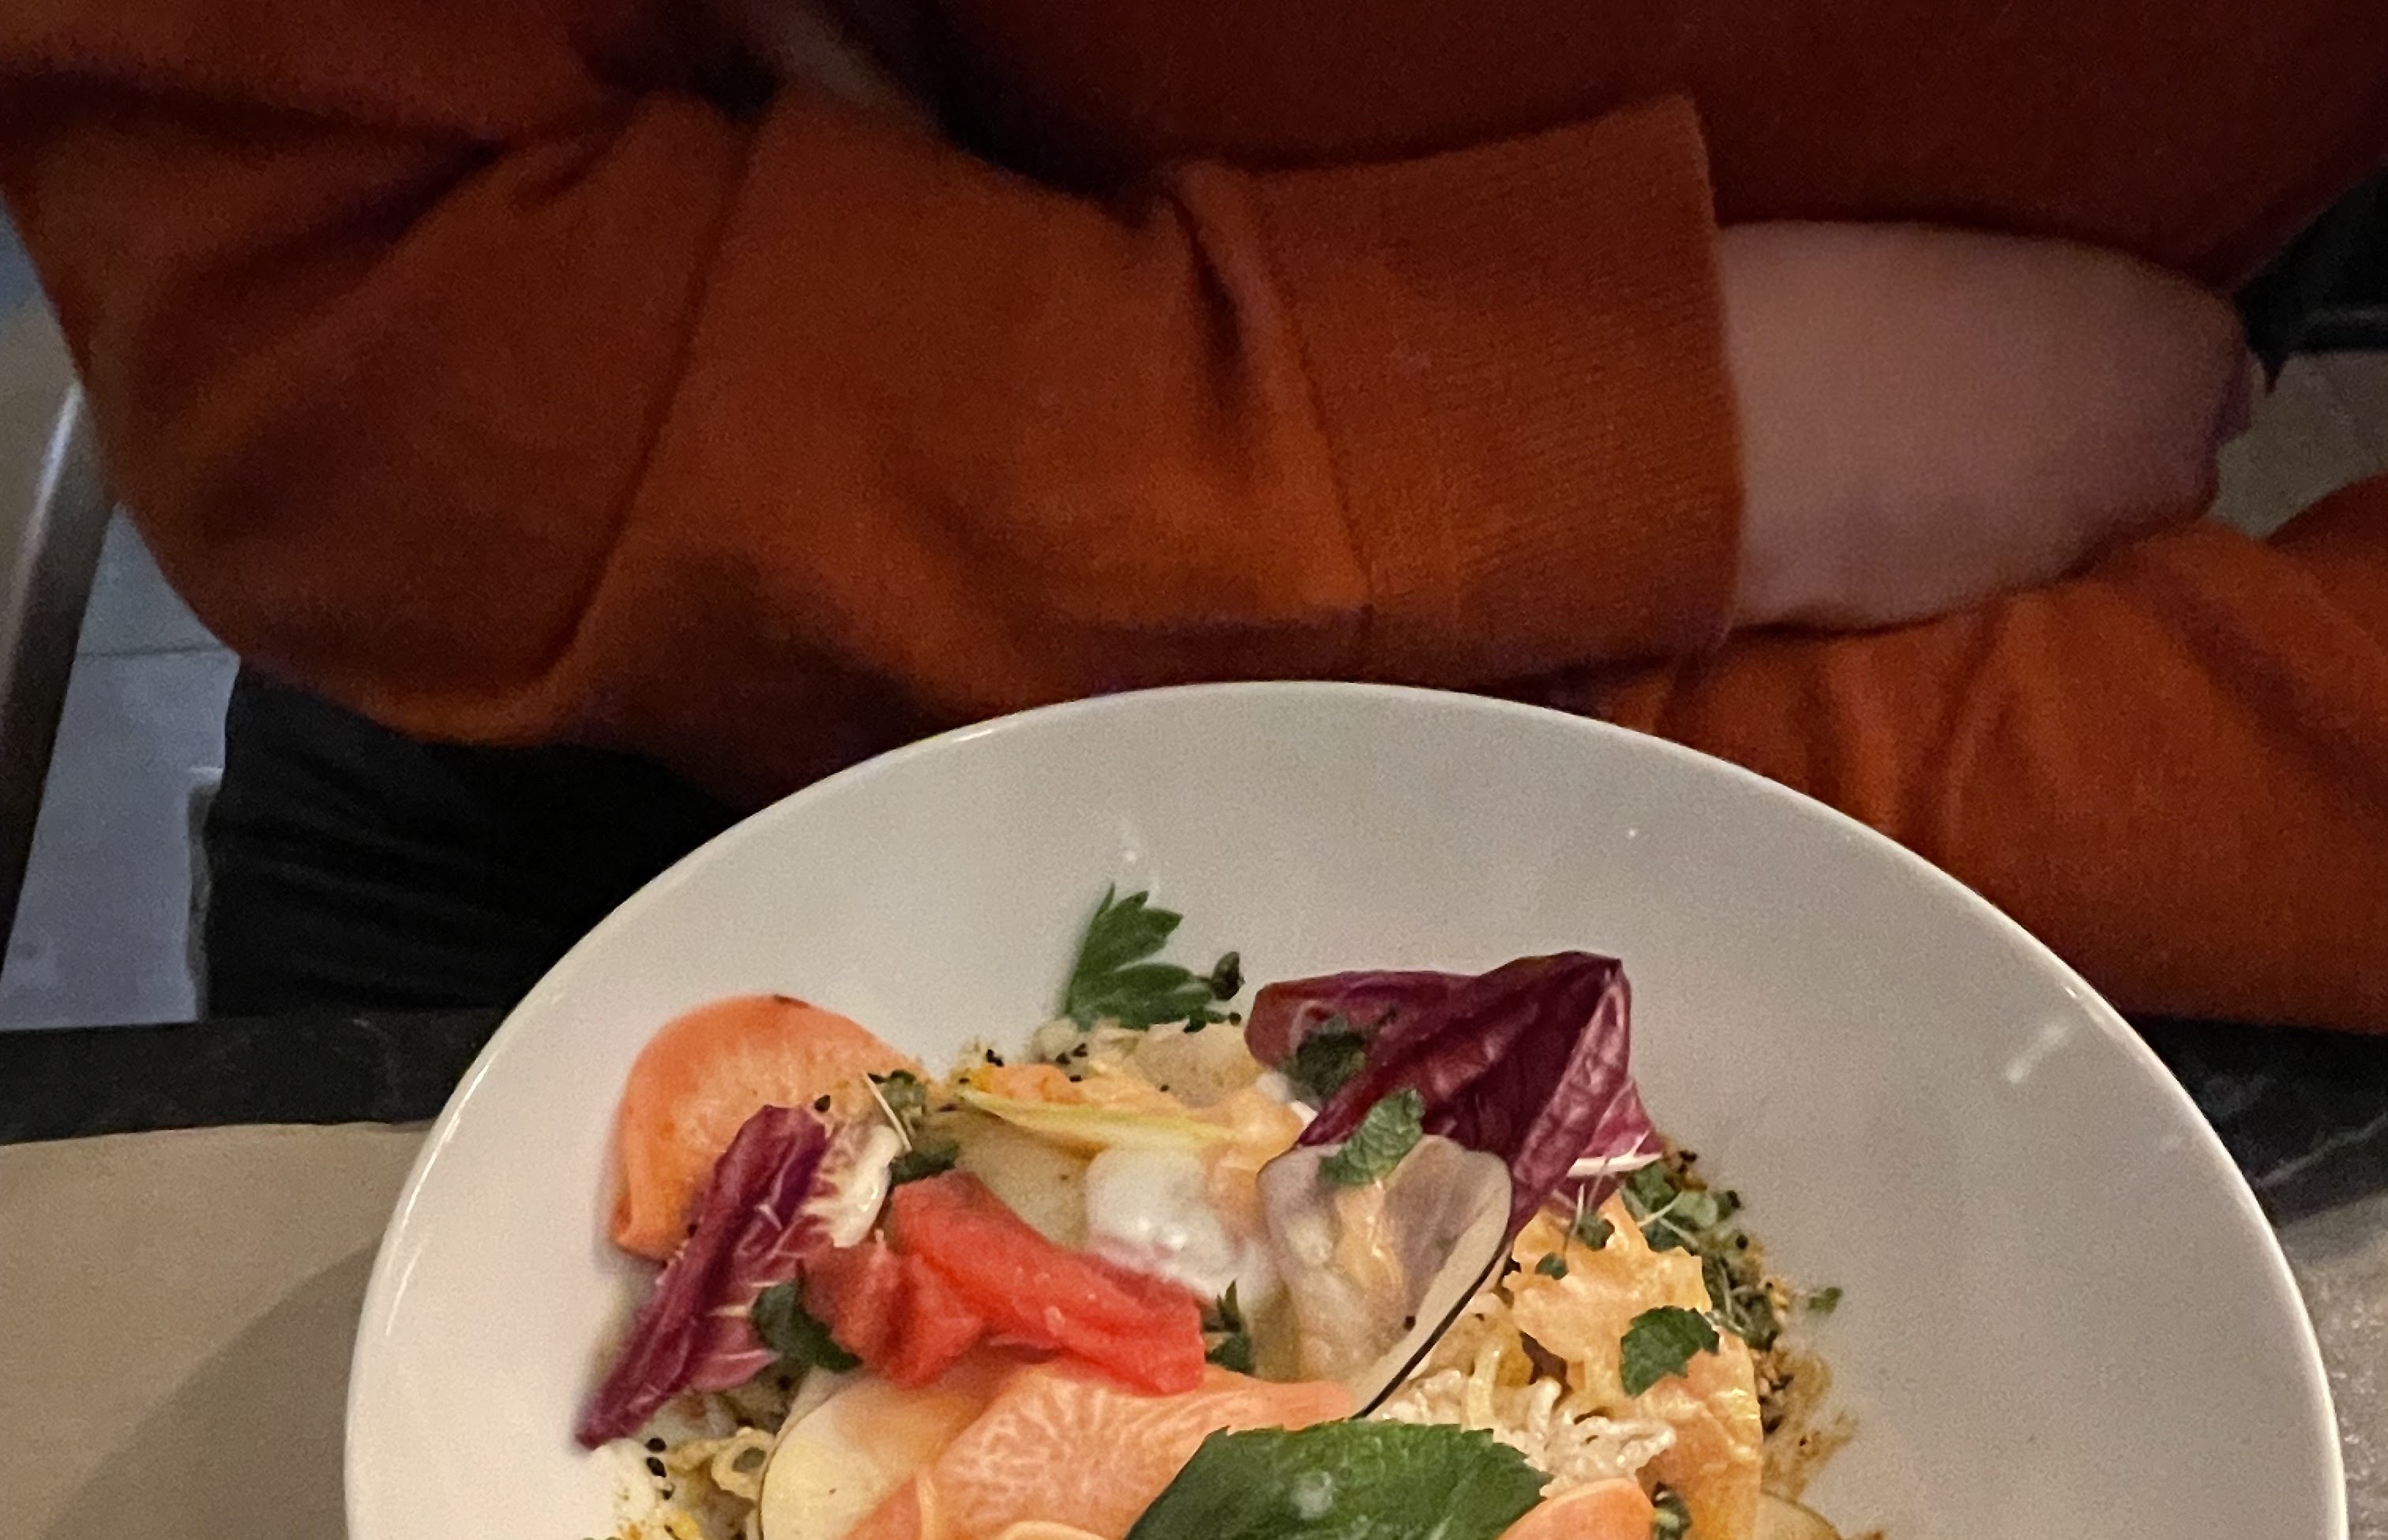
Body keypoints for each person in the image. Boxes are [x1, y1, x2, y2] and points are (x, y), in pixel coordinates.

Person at [1, 0, 2382, 1027]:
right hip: (688, 714)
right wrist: (1669, 446)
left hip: (2052, 808)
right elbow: (349, 330)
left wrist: (1607, 751)